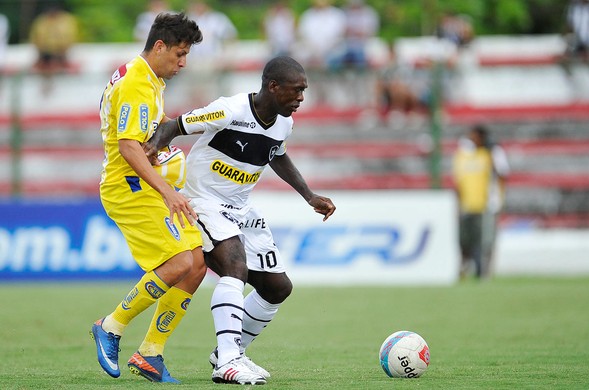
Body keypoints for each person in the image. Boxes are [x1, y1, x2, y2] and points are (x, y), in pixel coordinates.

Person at [144, 55, 336, 385]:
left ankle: (231, 352)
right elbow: (173, 126)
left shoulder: (284, 122)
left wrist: (309, 195)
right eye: (297, 90)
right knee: (235, 266)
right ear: (273, 87)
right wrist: (154, 151)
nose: (301, 98)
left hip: (241, 208)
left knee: (277, 288)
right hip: (202, 202)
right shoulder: (229, 110)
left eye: (304, 91)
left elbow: (277, 155)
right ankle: (228, 362)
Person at [89, 13, 205, 384]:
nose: (183, 63)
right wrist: (168, 190)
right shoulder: (139, 82)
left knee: (198, 263)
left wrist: (159, 147)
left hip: (143, 182)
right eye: (180, 54)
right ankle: (111, 325)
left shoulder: (147, 77)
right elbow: (127, 148)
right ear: (160, 46)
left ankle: (150, 352)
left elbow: (141, 138)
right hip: (129, 188)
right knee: (177, 262)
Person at [452, 125, 510, 279]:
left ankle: (485, 272)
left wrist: (499, 198)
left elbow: (502, 175)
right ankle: (465, 268)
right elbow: (460, 180)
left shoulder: (493, 153)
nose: (471, 140)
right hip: (468, 203)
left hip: (488, 203)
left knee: (486, 240)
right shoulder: (466, 154)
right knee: (465, 240)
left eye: (474, 136)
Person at [29, 5, 78, 73]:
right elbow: (36, 38)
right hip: (44, 53)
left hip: (61, 53)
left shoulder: (66, 20)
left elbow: (69, 38)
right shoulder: (41, 20)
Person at [342, 0, 379, 69]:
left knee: (361, 56)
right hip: (346, 45)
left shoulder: (370, 13)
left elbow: (370, 32)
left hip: (364, 45)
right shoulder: (343, 12)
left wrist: (354, 31)